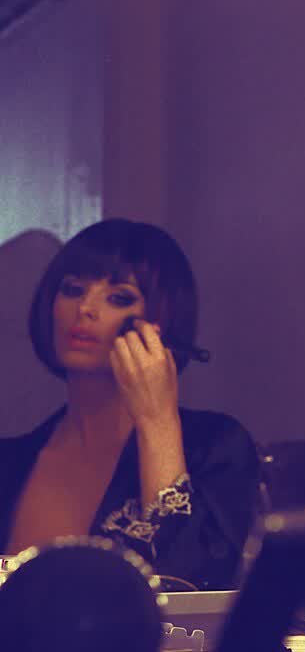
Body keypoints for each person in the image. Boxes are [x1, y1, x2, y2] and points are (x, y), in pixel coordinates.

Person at [0, 218, 262, 591]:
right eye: (72, 290)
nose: (85, 308)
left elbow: (190, 586)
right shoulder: (10, 464)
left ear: (161, 322)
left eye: (119, 298)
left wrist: (158, 421)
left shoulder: (216, 448)